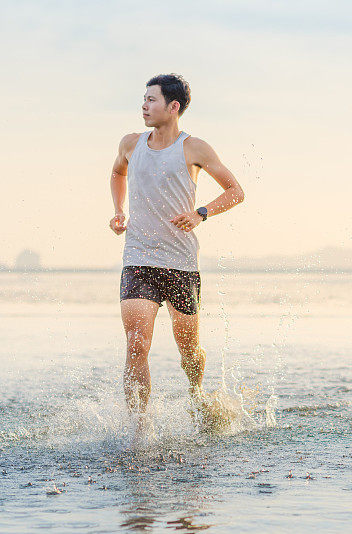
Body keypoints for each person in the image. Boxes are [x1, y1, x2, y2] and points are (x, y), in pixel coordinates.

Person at [108, 73, 245, 434]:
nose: (144, 105)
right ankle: (139, 431)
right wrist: (119, 210)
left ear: (173, 107)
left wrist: (201, 213)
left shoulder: (194, 148)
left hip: (181, 263)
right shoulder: (130, 143)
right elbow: (116, 173)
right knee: (137, 345)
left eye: (151, 100)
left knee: (189, 352)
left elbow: (235, 191)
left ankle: (197, 393)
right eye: (143, 98)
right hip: (138, 258)